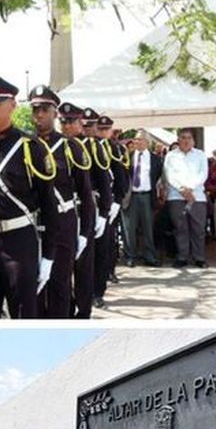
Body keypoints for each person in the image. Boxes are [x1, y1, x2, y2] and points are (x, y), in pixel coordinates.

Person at [0, 72, 58, 319]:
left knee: (24, 312)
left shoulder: (30, 146)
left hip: (19, 241)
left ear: (12, 105)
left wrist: (48, 256)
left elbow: (48, 204)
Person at [29, 85, 91, 318]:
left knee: (59, 286)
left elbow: (85, 194)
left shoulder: (70, 147)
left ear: (55, 112)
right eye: (35, 109)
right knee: (33, 290)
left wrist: (84, 231)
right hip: (33, 226)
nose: (39, 114)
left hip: (64, 224)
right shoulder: (24, 145)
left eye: (44, 109)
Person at [56, 102, 99, 319]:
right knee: (63, 270)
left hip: (84, 211)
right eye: (62, 121)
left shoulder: (91, 147)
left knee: (82, 268)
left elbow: (96, 184)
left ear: (80, 123)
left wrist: (102, 213)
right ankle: (68, 307)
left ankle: (83, 310)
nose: (65, 126)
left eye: (70, 121)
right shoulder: (55, 146)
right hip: (63, 214)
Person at [79, 109, 115, 308]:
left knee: (99, 250)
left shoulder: (97, 147)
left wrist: (106, 210)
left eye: (90, 125)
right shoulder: (71, 145)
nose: (88, 129)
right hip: (74, 206)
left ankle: (97, 291)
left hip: (95, 202)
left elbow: (107, 179)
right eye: (85, 125)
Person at [93, 115, 129, 300]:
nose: (102, 133)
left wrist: (117, 201)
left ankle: (98, 291)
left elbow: (121, 176)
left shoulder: (114, 148)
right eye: (100, 129)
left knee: (104, 246)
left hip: (107, 202)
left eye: (106, 129)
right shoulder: (85, 146)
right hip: (89, 203)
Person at [163, 128, 209, 268]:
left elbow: (203, 174)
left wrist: (190, 188)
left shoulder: (200, 155)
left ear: (193, 140)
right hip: (176, 196)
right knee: (180, 228)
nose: (186, 140)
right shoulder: (171, 156)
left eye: (189, 137)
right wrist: (182, 189)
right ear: (178, 139)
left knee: (198, 228)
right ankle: (182, 257)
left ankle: (199, 257)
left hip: (197, 196)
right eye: (183, 137)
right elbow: (169, 175)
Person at [124, 130, 163, 267]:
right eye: (136, 139)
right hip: (131, 197)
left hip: (147, 196)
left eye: (140, 139)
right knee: (130, 229)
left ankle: (150, 256)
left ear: (147, 142)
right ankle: (130, 256)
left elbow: (158, 177)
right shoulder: (127, 157)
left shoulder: (156, 159)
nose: (137, 142)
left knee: (148, 228)